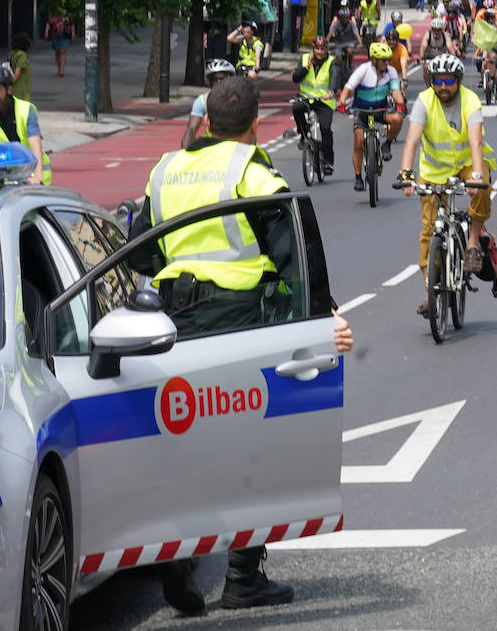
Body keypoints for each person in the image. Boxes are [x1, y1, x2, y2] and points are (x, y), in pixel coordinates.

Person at [129, 75, 355, 615]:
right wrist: (321, 313)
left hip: (172, 325)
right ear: (256, 125)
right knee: (249, 446)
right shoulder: (251, 170)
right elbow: (294, 247)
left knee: (183, 442)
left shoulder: (166, 170)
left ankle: (177, 557)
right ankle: (242, 577)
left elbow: (140, 253)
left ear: (206, 121)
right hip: (237, 324)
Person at [396, 52, 495, 311]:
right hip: (434, 170)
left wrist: (475, 177)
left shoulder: (470, 100)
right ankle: (431, 292)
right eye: (438, 81)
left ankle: (472, 242)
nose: (442, 87)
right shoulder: (424, 101)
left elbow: (476, 142)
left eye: (448, 81)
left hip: (466, 165)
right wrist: (406, 173)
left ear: (459, 81)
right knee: (429, 230)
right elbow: (411, 141)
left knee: (484, 181)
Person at [336, 42, 406, 191]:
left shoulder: (391, 71)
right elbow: (348, 87)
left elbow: (396, 91)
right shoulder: (363, 70)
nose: (387, 63)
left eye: (388, 59)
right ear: (374, 60)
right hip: (361, 111)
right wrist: (342, 102)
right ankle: (358, 177)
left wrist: (400, 104)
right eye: (383, 60)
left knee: (398, 119)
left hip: (381, 110)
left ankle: (386, 144)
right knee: (358, 142)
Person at [0, 63, 50, 185]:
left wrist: (38, 177)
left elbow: (34, 142)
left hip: (29, 174)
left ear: (9, 89)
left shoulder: (26, 109)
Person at [291, 35, 341, 175]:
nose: (319, 52)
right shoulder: (305, 59)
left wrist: (331, 91)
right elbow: (296, 78)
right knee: (296, 108)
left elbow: (335, 77)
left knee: (325, 129)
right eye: (317, 49)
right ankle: (303, 134)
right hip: (307, 98)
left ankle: (328, 161)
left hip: (324, 101)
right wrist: (307, 66)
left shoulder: (332, 62)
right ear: (313, 49)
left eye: (322, 49)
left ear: (326, 49)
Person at [182, 59, 235, 149]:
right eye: (215, 80)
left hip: (236, 145)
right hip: (211, 146)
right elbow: (191, 130)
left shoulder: (239, 99)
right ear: (210, 82)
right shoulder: (203, 100)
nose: (218, 83)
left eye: (222, 79)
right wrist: (184, 154)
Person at [45, 11, 74, 77]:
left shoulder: (68, 15)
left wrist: (73, 34)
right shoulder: (53, 14)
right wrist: (46, 32)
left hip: (65, 35)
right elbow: (49, 23)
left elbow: (72, 24)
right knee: (57, 51)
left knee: (63, 51)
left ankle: (61, 70)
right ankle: (59, 68)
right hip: (55, 35)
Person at [9, 32, 34, 104]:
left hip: (14, 90)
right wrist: (11, 83)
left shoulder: (13, 53)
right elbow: (18, 69)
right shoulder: (22, 55)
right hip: (21, 89)